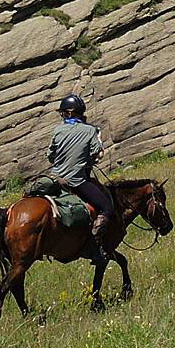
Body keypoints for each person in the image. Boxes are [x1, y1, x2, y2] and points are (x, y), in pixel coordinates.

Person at [46, 94, 114, 261]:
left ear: (68, 113)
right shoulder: (90, 130)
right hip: (76, 181)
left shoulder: (58, 130)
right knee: (106, 207)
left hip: (54, 179)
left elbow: (50, 156)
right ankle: (93, 246)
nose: (62, 116)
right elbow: (97, 154)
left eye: (63, 113)